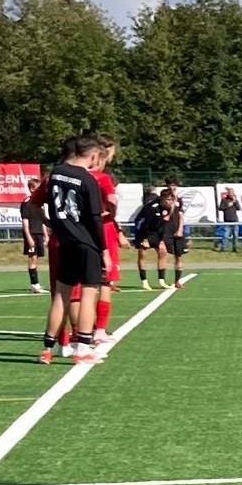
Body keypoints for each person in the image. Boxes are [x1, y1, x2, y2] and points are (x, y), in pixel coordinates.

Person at [40, 135, 108, 365]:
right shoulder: (88, 180)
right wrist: (103, 250)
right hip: (86, 243)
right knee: (89, 294)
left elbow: (50, 206)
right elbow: (95, 219)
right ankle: (83, 349)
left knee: (61, 295)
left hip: (65, 241)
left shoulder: (55, 173)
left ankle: (47, 349)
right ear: (93, 155)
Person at [87, 134, 130, 341]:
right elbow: (111, 206)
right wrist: (117, 229)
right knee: (105, 282)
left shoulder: (75, 173)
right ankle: (99, 330)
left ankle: (79, 331)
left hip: (81, 231)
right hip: (103, 229)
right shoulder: (103, 177)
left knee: (81, 286)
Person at [133, 189, 173, 290]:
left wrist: (162, 240)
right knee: (142, 254)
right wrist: (145, 239)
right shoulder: (152, 207)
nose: (170, 202)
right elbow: (144, 224)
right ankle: (144, 281)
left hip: (155, 231)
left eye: (172, 199)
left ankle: (162, 281)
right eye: (168, 199)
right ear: (162, 198)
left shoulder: (168, 208)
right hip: (143, 230)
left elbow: (163, 225)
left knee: (162, 252)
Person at [18, 176, 49, 293]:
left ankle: (35, 284)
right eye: (38, 188)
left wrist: (46, 235)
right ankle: (35, 285)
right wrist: (29, 238)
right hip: (32, 234)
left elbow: (42, 221)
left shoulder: (40, 203)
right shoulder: (27, 203)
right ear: (32, 189)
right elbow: (25, 223)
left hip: (39, 234)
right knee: (32, 259)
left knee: (37, 260)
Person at [162, 176, 188, 288]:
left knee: (178, 256)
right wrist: (172, 203)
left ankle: (177, 280)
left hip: (177, 230)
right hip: (166, 231)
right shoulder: (163, 199)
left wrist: (180, 229)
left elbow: (181, 215)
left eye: (174, 185)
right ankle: (162, 280)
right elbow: (166, 215)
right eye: (170, 185)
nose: (172, 187)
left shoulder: (179, 200)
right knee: (164, 254)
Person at [216, 188, 242, 252]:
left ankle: (235, 248)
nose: (231, 194)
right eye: (230, 192)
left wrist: (235, 202)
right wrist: (228, 205)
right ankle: (224, 248)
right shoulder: (224, 200)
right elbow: (220, 208)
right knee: (225, 235)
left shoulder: (235, 200)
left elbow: (239, 208)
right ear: (228, 193)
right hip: (227, 221)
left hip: (235, 220)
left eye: (232, 192)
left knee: (235, 235)